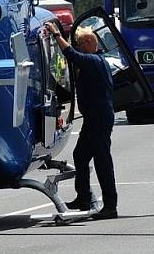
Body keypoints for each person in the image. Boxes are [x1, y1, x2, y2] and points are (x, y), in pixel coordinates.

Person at [46, 21, 118, 220]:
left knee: (102, 159)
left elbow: (71, 55)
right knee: (80, 155)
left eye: (79, 43)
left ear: (88, 42)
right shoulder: (94, 60)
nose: (77, 46)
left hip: (99, 118)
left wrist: (55, 35)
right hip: (93, 117)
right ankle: (84, 197)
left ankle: (111, 206)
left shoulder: (94, 61)